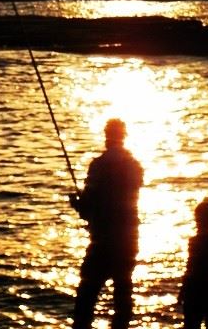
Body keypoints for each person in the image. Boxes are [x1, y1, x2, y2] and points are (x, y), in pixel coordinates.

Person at [69, 118, 143, 329]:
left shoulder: (98, 166)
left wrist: (78, 204)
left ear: (106, 136)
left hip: (102, 241)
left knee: (86, 299)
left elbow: (89, 207)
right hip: (128, 241)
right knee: (123, 300)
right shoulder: (135, 167)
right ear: (124, 136)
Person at [178, 200, 208, 329]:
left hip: (194, 289)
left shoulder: (195, 242)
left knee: (192, 324)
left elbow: (190, 267)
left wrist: (183, 290)